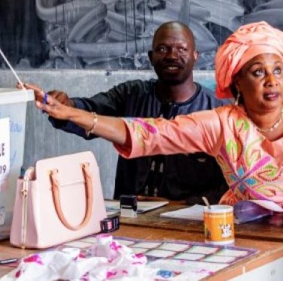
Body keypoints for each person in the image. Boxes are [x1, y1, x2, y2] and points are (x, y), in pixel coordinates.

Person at [32, 21, 283, 281]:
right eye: (258, 72)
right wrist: (74, 114)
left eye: (277, 70)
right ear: (236, 83)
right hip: (253, 224)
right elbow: (150, 133)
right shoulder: (223, 123)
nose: (272, 81)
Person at [23, 21, 229, 204]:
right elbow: (90, 112)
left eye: (182, 49)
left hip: (190, 222)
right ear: (151, 57)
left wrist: (182, 204)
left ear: (196, 56)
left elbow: (229, 184)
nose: (172, 56)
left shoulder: (218, 111)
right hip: (130, 218)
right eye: (163, 49)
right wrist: (66, 107)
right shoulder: (131, 94)